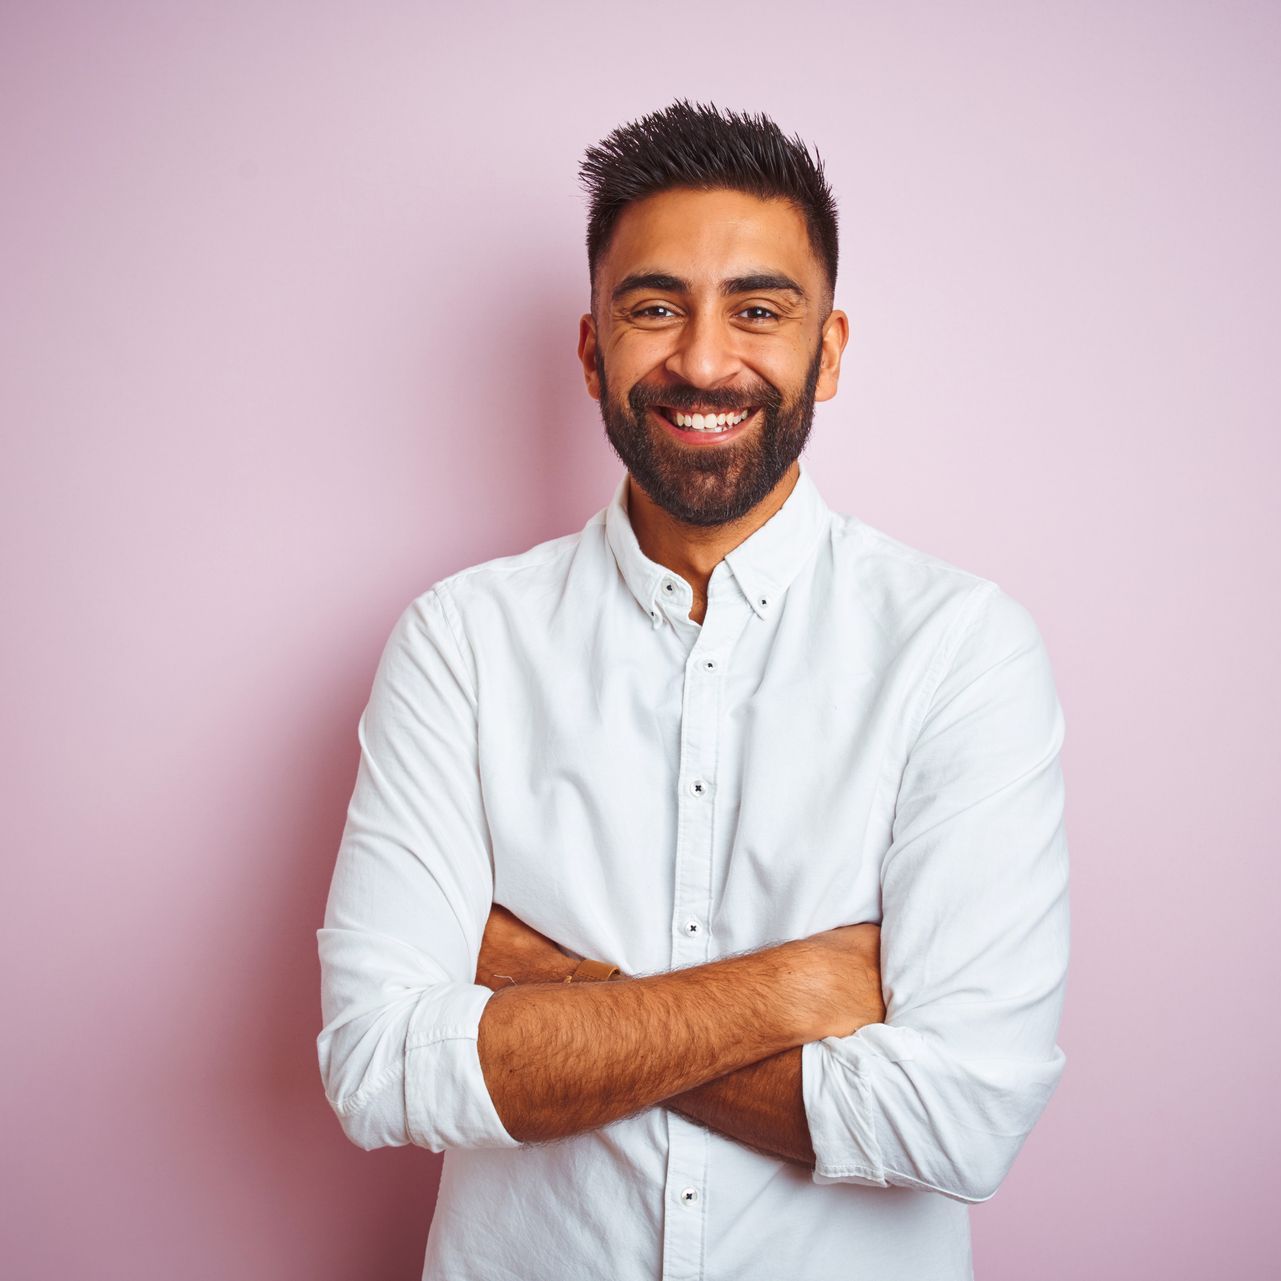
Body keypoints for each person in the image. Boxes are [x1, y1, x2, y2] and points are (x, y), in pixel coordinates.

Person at [316, 99, 1070, 1281]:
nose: (705, 360)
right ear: (591, 348)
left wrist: (529, 981)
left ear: (827, 350)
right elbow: (377, 1067)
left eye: (758, 311)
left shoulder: (960, 651)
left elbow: (958, 1121)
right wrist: (793, 989)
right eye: (654, 307)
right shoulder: (459, 643)